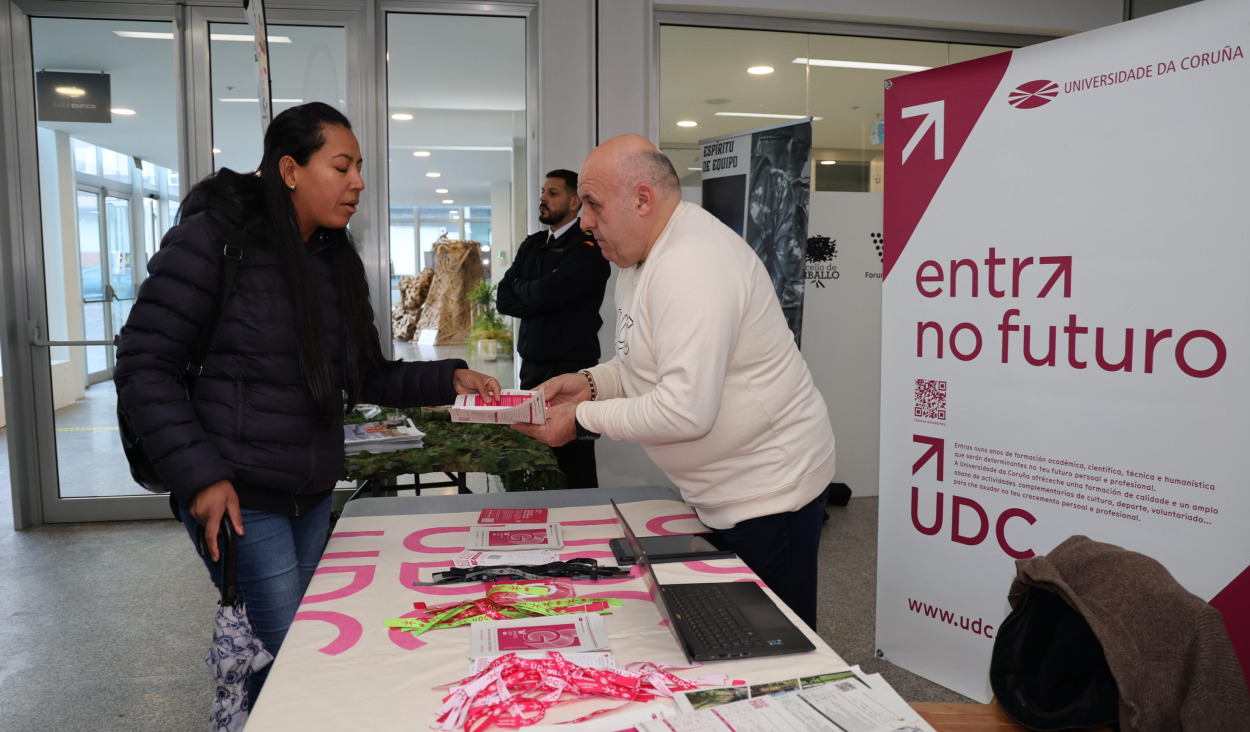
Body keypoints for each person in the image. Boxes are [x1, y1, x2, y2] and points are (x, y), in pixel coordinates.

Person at [114, 102, 499, 708]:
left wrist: (450, 378)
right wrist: (201, 476)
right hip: (241, 496)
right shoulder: (215, 239)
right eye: (342, 166)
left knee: (297, 653)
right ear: (290, 169)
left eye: (360, 167)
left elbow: (364, 374)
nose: (358, 183)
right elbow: (143, 362)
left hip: (311, 492)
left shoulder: (331, 257)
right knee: (292, 658)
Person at [515, 135, 835, 629]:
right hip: (719, 491)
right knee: (730, 630)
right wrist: (590, 384)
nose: (586, 222)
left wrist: (580, 418)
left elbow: (685, 409)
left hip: (772, 492)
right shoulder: (638, 257)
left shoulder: (693, 264)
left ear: (642, 199)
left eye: (594, 206)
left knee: (776, 648)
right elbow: (639, 364)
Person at [496, 170, 611, 488]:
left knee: (575, 462)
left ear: (575, 202)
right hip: (532, 370)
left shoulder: (589, 248)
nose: (543, 198)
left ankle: (586, 526)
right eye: (543, 192)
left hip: (574, 370)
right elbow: (504, 300)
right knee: (535, 458)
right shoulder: (534, 245)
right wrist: (538, 292)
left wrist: (533, 291)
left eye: (553, 193)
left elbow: (545, 295)